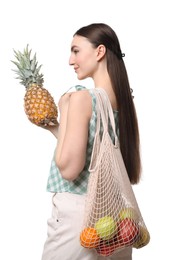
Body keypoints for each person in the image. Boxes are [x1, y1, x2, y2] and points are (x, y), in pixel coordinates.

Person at [41, 23, 141, 260]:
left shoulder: (81, 98)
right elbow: (96, 147)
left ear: (100, 52)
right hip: (116, 215)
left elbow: (69, 169)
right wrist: (56, 128)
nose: (70, 60)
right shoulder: (127, 101)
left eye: (76, 51)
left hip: (80, 217)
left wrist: (66, 108)